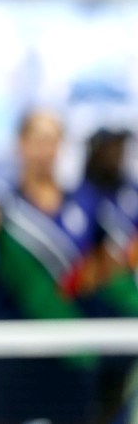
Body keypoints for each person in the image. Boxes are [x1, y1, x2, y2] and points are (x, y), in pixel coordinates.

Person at [0, 110, 101, 423]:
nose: (44, 150)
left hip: (72, 351)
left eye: (51, 140)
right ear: (21, 144)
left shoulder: (86, 201)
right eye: (36, 139)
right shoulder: (1, 203)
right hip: (13, 350)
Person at [73, 128, 138, 423]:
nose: (117, 156)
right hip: (95, 322)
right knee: (97, 404)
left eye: (121, 149)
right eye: (110, 149)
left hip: (131, 321)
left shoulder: (130, 193)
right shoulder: (79, 198)